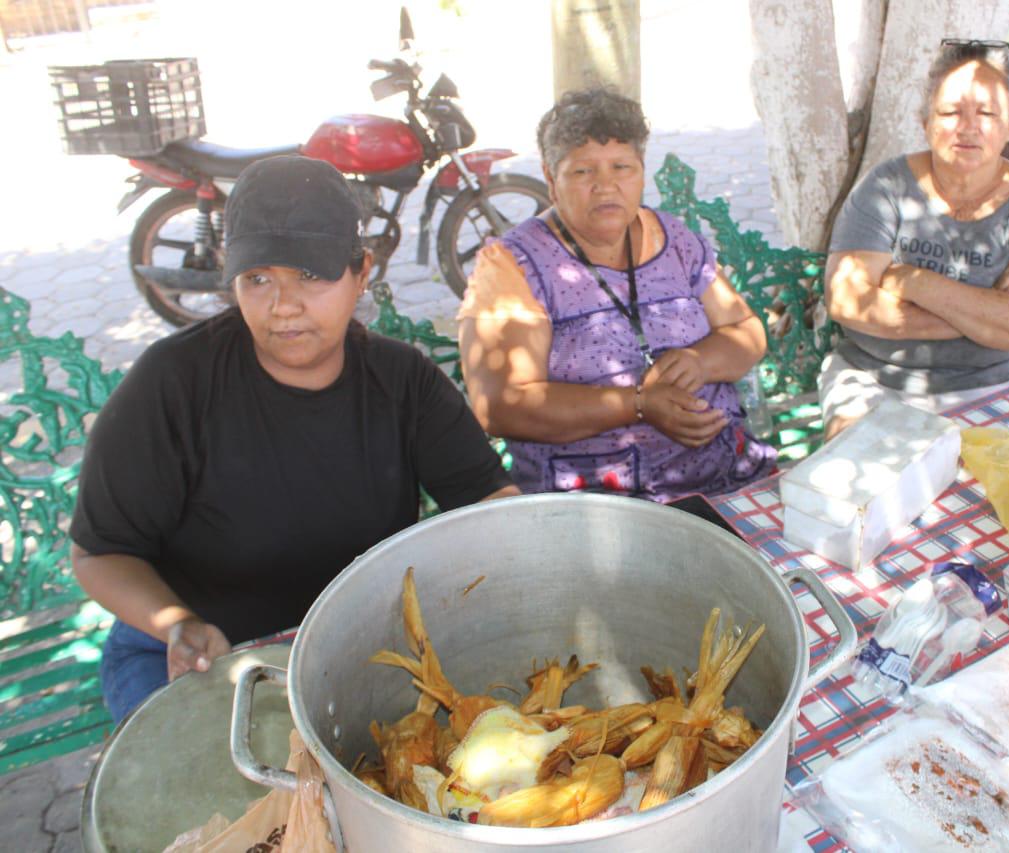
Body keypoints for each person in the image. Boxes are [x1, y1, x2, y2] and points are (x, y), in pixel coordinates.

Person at [71, 156, 518, 724]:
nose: (283, 306)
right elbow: (99, 552)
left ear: (362, 272)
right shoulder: (174, 383)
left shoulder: (403, 382)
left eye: (310, 275)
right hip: (194, 656)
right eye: (257, 279)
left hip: (355, 649)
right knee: (212, 781)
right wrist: (177, 623)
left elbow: (491, 505)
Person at [457, 88, 776, 501]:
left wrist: (700, 361)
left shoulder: (674, 240)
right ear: (551, 180)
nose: (605, 186)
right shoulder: (511, 265)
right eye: (583, 171)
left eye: (621, 167)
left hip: (726, 476)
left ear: (641, 172)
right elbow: (502, 405)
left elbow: (746, 329)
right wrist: (638, 404)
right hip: (600, 504)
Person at [822, 39, 1009, 438]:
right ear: (926, 123)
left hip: (1001, 380)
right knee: (860, 464)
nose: (968, 127)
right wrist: (989, 310)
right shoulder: (887, 187)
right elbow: (847, 301)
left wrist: (912, 281)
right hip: (875, 378)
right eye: (951, 112)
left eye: (987, 113)